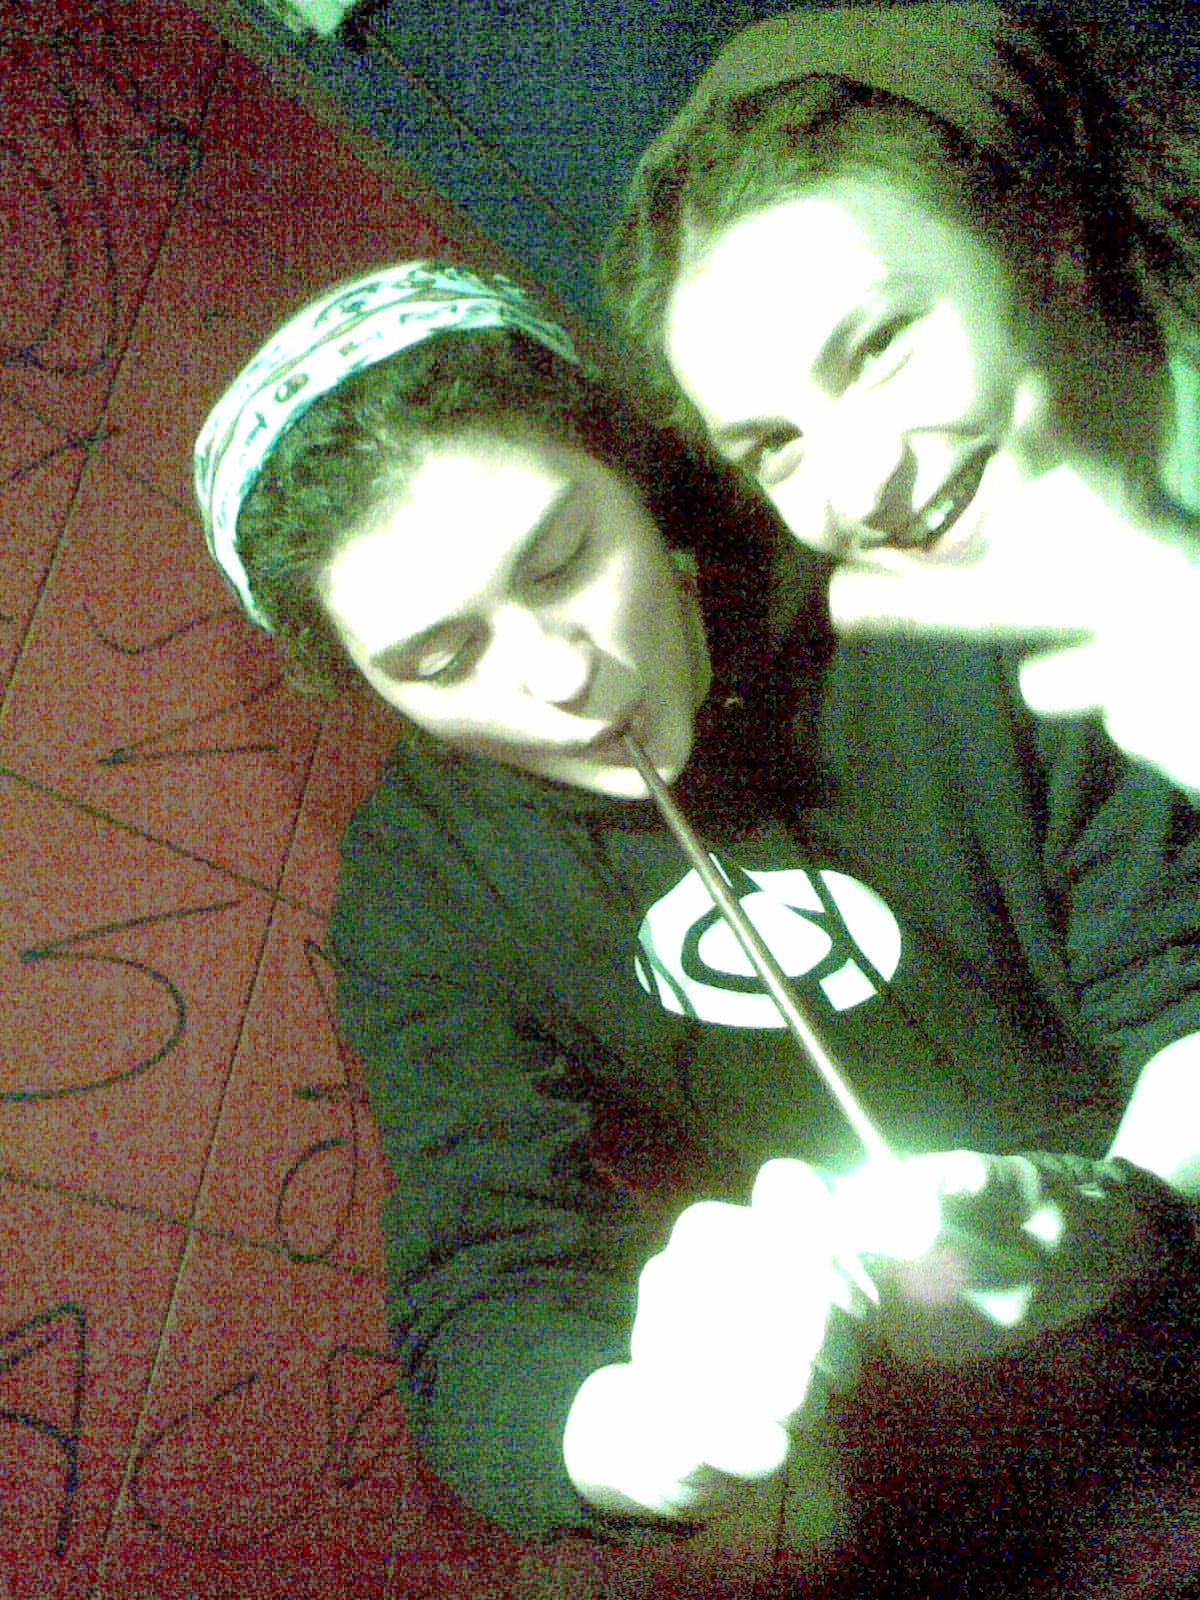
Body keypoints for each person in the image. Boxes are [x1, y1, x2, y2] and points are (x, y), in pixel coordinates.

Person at [194, 261, 1200, 1597]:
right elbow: (483, 1262)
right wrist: (649, 1435)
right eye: (441, 659)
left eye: (566, 561)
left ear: (636, 476)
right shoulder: (419, 887)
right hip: (956, 1397)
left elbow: (1180, 963)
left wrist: (1129, 1210)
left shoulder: (908, 585)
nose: (560, 675)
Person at [602, 2, 1200, 798]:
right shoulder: (950, 678)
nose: (858, 488)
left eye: (879, 347)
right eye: (775, 444)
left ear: (1047, 236)